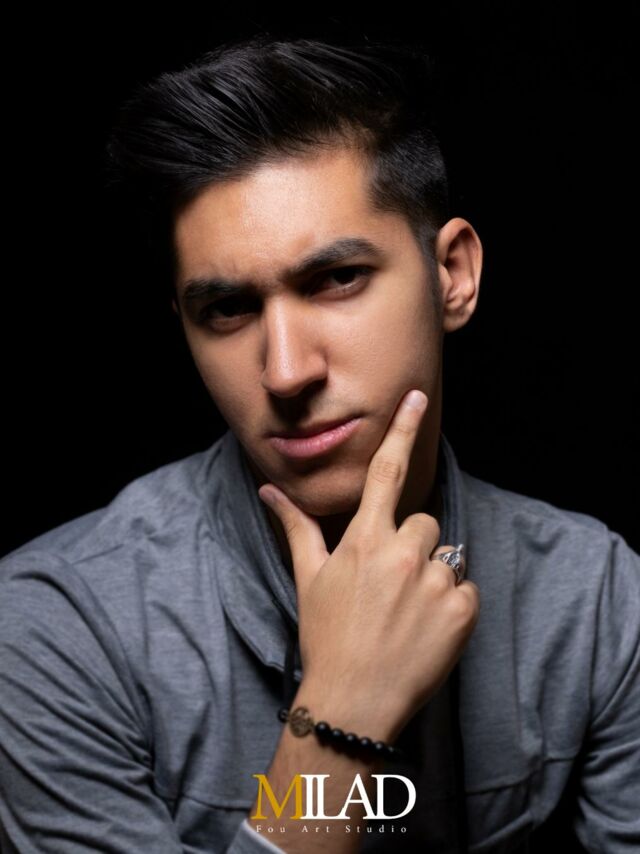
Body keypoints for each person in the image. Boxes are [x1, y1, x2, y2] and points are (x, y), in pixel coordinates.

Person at [0, 34, 638, 854]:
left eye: (336, 279)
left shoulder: (596, 599)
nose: (286, 371)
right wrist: (339, 715)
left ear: (453, 275)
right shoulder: (56, 629)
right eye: (228, 309)